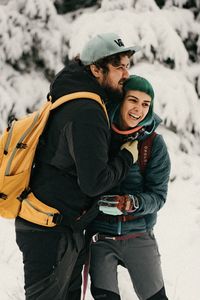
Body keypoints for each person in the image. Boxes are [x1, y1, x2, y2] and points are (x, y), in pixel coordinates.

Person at [15, 33, 141, 300]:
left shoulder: (74, 95)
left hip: (59, 227)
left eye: (128, 65)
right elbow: (94, 181)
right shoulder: (86, 110)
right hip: (50, 233)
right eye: (119, 66)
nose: (126, 74)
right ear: (96, 69)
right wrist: (127, 156)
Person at [88, 75, 171, 300]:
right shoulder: (98, 135)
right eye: (133, 100)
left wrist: (133, 203)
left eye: (145, 104)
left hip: (139, 237)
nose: (138, 109)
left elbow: (159, 195)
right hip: (100, 240)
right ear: (121, 100)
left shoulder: (153, 144)